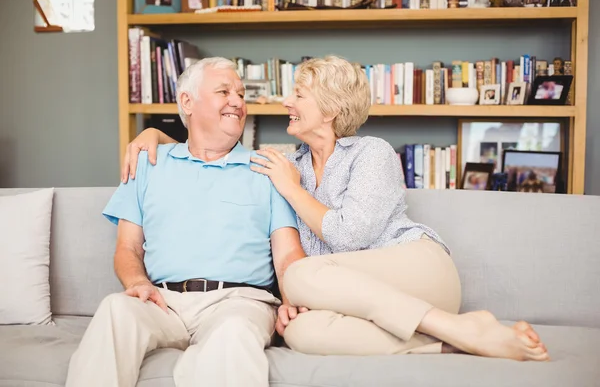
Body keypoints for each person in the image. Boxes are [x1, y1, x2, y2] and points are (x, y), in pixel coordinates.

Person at [123, 55, 550, 362]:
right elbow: (209, 145)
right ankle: (454, 341)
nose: (287, 102)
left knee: (302, 274)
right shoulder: (287, 164)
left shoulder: (371, 153)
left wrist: (292, 189)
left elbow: (349, 237)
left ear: (330, 108)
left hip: (419, 271)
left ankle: (454, 322)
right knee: (301, 334)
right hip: (358, 297)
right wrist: (157, 135)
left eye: (300, 95)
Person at [65, 57, 307, 387]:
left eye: (240, 93)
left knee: (233, 335)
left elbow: (287, 255)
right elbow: (127, 248)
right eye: (224, 91)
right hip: (163, 302)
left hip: (239, 302)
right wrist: (137, 282)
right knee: (115, 310)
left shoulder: (267, 169)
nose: (237, 101)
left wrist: (292, 301)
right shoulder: (147, 163)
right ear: (187, 101)